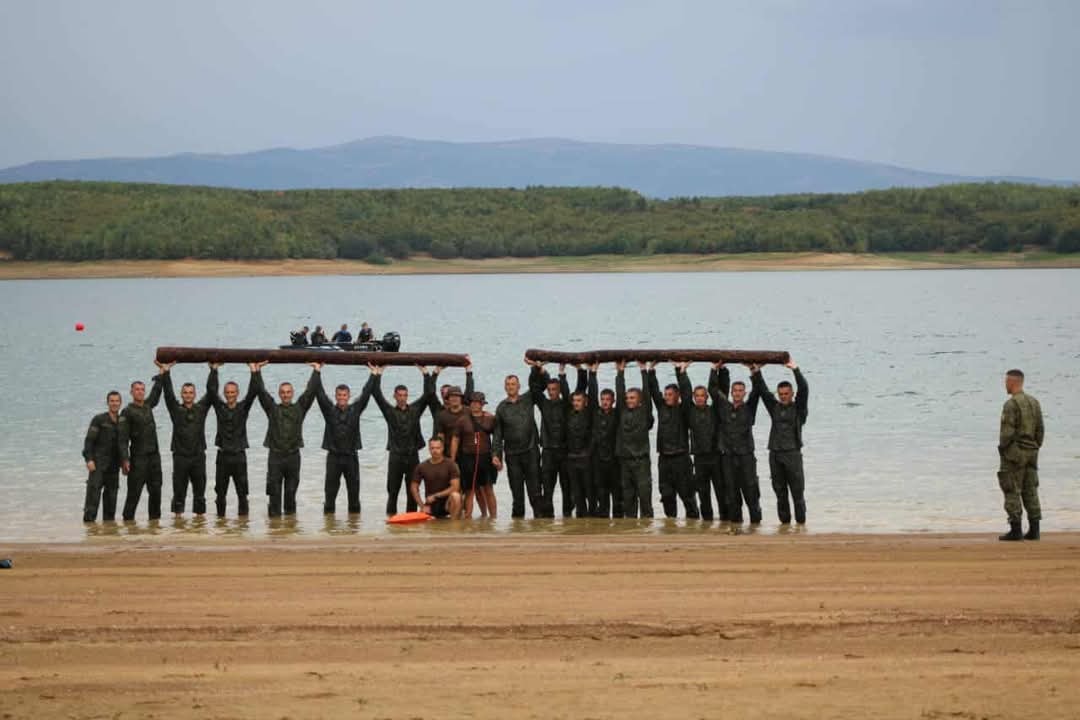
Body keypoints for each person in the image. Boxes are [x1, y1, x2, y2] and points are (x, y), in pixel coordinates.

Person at [253, 363, 319, 517]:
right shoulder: (272, 409)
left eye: (288, 392)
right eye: (283, 392)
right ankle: (274, 527)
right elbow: (261, 393)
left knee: (291, 493)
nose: (286, 395)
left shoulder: (300, 408)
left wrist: (316, 370)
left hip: (293, 456)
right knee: (274, 493)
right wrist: (256, 371)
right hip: (275, 457)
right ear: (279, 394)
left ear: (292, 393)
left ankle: (290, 526)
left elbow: (310, 392)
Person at [370, 364, 434, 515]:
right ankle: (391, 520)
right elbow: (376, 394)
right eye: (399, 395)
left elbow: (428, 394)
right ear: (394, 396)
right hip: (396, 456)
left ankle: (410, 519)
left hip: (412, 456)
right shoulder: (390, 412)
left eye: (405, 395)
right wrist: (378, 373)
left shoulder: (415, 410)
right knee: (393, 491)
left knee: (412, 490)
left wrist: (425, 373)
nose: (402, 398)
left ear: (407, 396)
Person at [313, 364, 375, 515]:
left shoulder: (355, 409)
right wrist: (317, 371)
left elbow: (366, 394)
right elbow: (319, 394)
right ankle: (329, 527)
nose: (342, 398)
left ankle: (354, 528)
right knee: (330, 495)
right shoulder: (329, 410)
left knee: (354, 495)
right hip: (333, 457)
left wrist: (374, 374)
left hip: (351, 457)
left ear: (348, 396)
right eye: (339, 395)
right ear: (336, 396)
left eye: (344, 395)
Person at [753, 359, 809, 525]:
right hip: (775, 454)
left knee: (797, 492)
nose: (784, 396)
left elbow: (804, 389)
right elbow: (763, 392)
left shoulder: (799, 409)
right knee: (780, 491)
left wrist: (795, 370)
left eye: (786, 394)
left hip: (793, 453)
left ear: (791, 394)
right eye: (781, 394)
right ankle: (784, 525)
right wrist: (755, 372)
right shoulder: (774, 407)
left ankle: (800, 525)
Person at [161, 363, 218, 516]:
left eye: (190, 392)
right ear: (182, 395)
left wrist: (213, 370)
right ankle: (178, 524)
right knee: (179, 494)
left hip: (198, 457)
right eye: (185, 392)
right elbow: (168, 394)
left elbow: (211, 392)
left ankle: (199, 525)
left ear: (194, 394)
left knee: (200, 495)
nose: (188, 395)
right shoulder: (175, 410)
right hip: (180, 457)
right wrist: (166, 371)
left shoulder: (201, 409)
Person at [997, 369, 1045, 541]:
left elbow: (1006, 433)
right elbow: (1040, 430)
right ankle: (1035, 529)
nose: (1005, 385)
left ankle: (1015, 529)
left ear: (1012, 382)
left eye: (1006, 381)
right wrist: (1034, 447)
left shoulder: (1011, 405)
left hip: (1015, 453)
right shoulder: (1034, 402)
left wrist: (1003, 449)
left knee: (1011, 489)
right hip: (1032, 452)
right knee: (1030, 489)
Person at [648, 362, 700, 519]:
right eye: (666, 394)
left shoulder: (684, 409)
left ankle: (693, 523)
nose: (666, 397)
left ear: (677, 396)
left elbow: (686, 391)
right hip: (664, 459)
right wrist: (651, 370)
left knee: (687, 495)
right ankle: (671, 525)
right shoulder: (662, 408)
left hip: (681, 459)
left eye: (670, 394)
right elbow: (653, 391)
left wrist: (680, 371)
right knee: (667, 495)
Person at [210, 363, 262, 517]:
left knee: (242, 494)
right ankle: (221, 522)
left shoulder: (243, 408)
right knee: (220, 494)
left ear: (237, 393)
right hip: (223, 456)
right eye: (227, 392)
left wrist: (253, 370)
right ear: (224, 394)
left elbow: (253, 392)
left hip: (239, 456)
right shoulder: (220, 408)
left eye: (233, 392)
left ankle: (243, 524)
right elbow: (211, 391)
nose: (230, 394)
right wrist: (214, 370)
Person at [528, 361, 576, 518]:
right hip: (548, 451)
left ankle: (567, 517)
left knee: (567, 487)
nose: (551, 392)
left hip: (564, 452)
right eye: (549, 390)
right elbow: (534, 389)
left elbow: (568, 392)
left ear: (559, 390)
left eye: (554, 390)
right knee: (547, 487)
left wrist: (562, 373)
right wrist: (537, 369)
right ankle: (548, 519)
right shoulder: (544, 403)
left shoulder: (566, 404)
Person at [716, 366, 763, 524]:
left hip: (746, 457)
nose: (737, 393)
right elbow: (713, 389)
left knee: (751, 491)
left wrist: (754, 372)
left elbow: (758, 391)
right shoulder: (724, 408)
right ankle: (736, 525)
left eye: (740, 390)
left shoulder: (749, 408)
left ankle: (756, 524)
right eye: (735, 390)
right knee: (731, 493)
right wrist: (715, 369)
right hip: (728, 458)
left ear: (744, 393)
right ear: (731, 392)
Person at [118, 366, 166, 521]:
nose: (140, 392)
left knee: (156, 492)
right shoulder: (127, 412)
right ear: (131, 392)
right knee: (134, 494)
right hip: (138, 459)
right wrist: (125, 459)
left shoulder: (147, 406)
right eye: (136, 390)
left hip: (154, 458)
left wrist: (162, 373)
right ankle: (128, 522)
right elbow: (122, 439)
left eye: (142, 389)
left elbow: (156, 394)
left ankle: (154, 524)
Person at [492, 370, 542, 518]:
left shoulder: (528, 398)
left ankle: (540, 525)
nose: (510, 386)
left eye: (513, 384)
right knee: (517, 494)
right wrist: (496, 455)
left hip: (531, 452)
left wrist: (537, 369)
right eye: (507, 384)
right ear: (505, 387)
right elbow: (497, 435)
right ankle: (517, 528)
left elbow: (541, 385)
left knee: (535, 492)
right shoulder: (501, 407)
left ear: (519, 386)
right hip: (512, 456)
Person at [680, 362, 726, 521]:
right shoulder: (690, 412)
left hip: (715, 457)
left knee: (721, 490)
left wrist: (714, 370)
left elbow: (716, 391)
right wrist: (683, 372)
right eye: (697, 396)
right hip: (699, 458)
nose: (700, 398)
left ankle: (724, 519)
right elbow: (685, 393)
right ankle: (707, 520)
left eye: (702, 395)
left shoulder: (715, 411)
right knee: (703, 492)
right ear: (694, 397)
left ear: (706, 397)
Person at [615, 361, 655, 518]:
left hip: (641, 461)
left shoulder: (644, 412)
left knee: (645, 496)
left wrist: (643, 370)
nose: (629, 400)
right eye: (628, 398)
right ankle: (631, 527)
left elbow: (647, 392)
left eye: (632, 398)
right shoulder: (622, 412)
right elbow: (619, 393)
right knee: (628, 498)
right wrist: (620, 372)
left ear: (640, 401)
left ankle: (647, 527)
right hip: (625, 461)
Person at [452, 391, 498, 518]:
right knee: (470, 491)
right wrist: (452, 459)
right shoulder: (462, 420)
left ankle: (493, 518)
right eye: (472, 402)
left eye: (478, 403)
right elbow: (455, 439)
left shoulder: (490, 419)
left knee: (488, 489)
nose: (475, 405)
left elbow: (498, 438)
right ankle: (471, 517)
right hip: (467, 459)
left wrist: (498, 457)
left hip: (486, 458)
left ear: (482, 404)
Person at [82, 390, 123, 522]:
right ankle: (89, 532)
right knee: (92, 503)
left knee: (111, 504)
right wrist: (89, 459)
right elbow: (89, 441)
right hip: (98, 466)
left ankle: (108, 534)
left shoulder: (122, 421)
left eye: (117, 401)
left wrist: (125, 462)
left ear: (120, 403)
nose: (114, 403)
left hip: (114, 467)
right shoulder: (99, 419)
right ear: (107, 403)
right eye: (112, 401)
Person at [588, 364, 622, 518]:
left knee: (617, 493)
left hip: (614, 460)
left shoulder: (617, 414)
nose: (605, 402)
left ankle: (618, 521)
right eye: (603, 399)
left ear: (613, 401)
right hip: (599, 460)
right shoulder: (595, 413)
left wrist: (620, 373)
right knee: (601, 493)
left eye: (608, 399)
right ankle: (603, 522)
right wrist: (593, 373)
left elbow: (622, 395)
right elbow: (592, 395)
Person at [565, 367, 595, 517]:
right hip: (572, 459)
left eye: (579, 401)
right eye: (574, 401)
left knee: (590, 491)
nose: (576, 403)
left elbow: (592, 393)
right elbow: (565, 392)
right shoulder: (569, 414)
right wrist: (563, 374)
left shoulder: (590, 413)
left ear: (585, 402)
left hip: (586, 459)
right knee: (577, 493)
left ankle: (593, 520)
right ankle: (581, 520)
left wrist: (591, 373)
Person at [410, 436, 463, 519]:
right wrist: (422, 505)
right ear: (429, 449)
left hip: (448, 504)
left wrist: (436, 496)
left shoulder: (451, 464)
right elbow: (414, 487)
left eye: (438, 448)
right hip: (431, 505)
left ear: (443, 448)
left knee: (456, 496)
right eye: (432, 448)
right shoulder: (422, 466)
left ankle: (454, 527)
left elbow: (455, 487)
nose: (435, 451)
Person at [428, 361, 474, 442]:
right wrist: (436, 372)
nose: (445, 395)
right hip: (441, 448)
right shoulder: (437, 410)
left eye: (448, 393)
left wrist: (468, 371)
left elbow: (469, 391)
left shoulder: (463, 407)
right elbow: (430, 393)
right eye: (443, 393)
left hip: (461, 447)